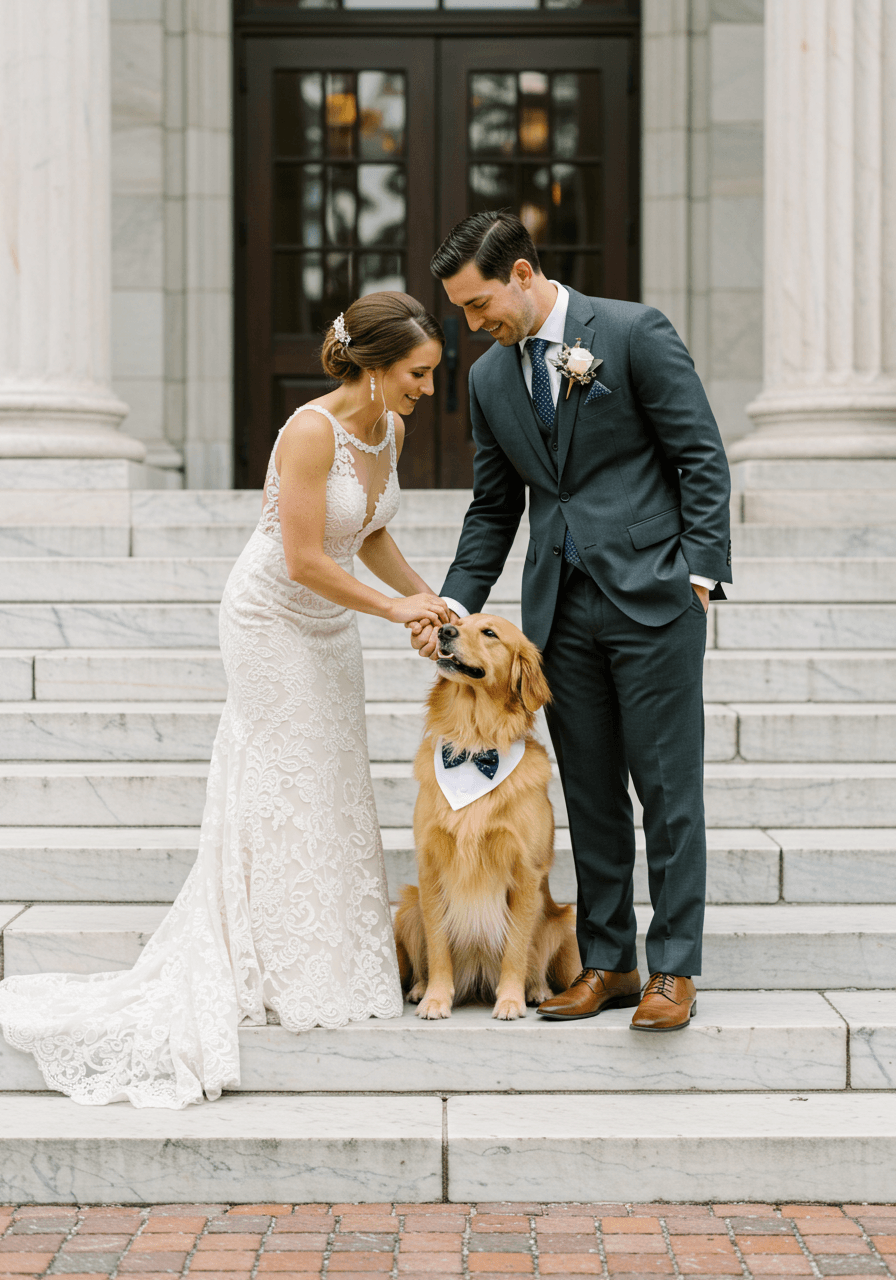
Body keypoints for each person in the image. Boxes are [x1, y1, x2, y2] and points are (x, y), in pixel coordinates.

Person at [0, 291, 449, 1107]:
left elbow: (371, 533)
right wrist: (392, 610)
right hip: (272, 616)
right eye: (418, 374)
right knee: (283, 778)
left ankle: (331, 963)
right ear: (376, 369)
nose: (428, 388)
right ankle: (269, 963)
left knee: (333, 781)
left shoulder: (392, 427)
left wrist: (430, 600)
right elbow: (306, 556)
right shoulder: (311, 431)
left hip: (332, 621)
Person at [411, 212, 731, 1031]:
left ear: (522, 273)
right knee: (588, 792)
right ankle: (610, 962)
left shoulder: (630, 333)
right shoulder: (489, 380)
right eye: (462, 314)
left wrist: (697, 577)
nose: (474, 325)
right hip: (558, 608)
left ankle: (674, 969)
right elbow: (493, 508)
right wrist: (451, 608)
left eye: (480, 304)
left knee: (667, 790)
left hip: (654, 598)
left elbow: (699, 453)